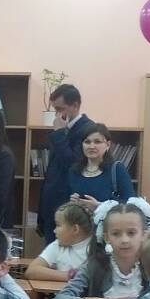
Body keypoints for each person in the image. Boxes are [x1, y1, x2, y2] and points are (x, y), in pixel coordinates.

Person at [53, 198, 150, 299]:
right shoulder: (94, 266)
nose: (124, 240)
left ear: (144, 235)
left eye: (131, 233)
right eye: (116, 234)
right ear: (106, 238)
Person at [37, 84, 94, 241]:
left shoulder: (88, 129)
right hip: (52, 205)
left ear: (75, 105)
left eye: (60, 109)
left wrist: (60, 133)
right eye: (55, 109)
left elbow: (73, 165)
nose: (57, 115)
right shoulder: (63, 128)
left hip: (68, 206)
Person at [68, 123, 135, 214]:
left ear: (108, 145)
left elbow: (131, 203)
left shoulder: (117, 169)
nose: (92, 146)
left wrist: (100, 206)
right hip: (80, 221)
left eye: (97, 142)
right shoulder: (74, 171)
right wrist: (73, 200)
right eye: (87, 142)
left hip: (108, 221)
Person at [25, 203, 92, 282]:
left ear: (75, 229)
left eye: (58, 225)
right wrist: (70, 275)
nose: (54, 231)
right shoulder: (58, 244)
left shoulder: (96, 248)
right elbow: (31, 271)